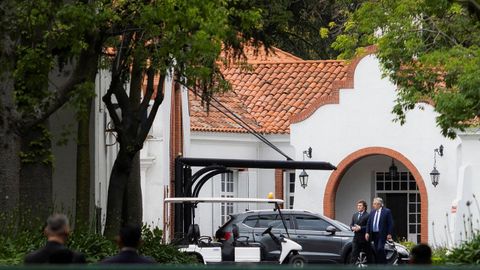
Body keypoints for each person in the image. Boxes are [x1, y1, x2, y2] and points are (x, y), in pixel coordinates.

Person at [365, 197, 393, 264]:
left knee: (380, 249)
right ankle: (380, 264)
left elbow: (390, 223)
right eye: (373, 204)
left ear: (379, 204)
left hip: (382, 234)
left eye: (374, 204)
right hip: (374, 234)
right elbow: (368, 223)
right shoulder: (372, 212)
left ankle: (385, 263)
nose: (373, 205)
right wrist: (367, 232)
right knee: (377, 250)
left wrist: (389, 233)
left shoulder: (386, 211)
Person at [350, 200, 370, 264]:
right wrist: (352, 228)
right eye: (358, 205)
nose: (358, 207)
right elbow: (351, 224)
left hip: (364, 239)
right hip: (356, 238)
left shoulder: (368, 215)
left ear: (364, 207)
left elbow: (369, 226)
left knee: (368, 255)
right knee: (353, 254)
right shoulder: (354, 215)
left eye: (360, 205)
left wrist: (360, 228)